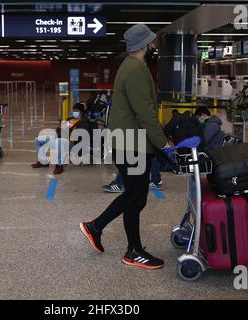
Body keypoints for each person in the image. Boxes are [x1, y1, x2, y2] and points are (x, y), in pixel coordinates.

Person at [80, 24, 169, 270]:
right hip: (133, 144)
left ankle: (95, 227)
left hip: (129, 142)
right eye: (151, 42)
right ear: (143, 45)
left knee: (134, 195)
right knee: (135, 197)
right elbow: (145, 112)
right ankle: (133, 251)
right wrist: (163, 143)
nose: (153, 46)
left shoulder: (128, 67)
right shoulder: (136, 69)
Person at [32, 103, 89, 175]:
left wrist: (67, 133)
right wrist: (61, 129)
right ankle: (43, 162)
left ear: (81, 111)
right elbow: (59, 130)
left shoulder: (84, 121)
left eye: (76, 110)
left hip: (72, 144)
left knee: (60, 141)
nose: (74, 112)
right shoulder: (70, 119)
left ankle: (59, 165)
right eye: (73, 110)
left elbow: (81, 135)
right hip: (61, 139)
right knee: (38, 140)